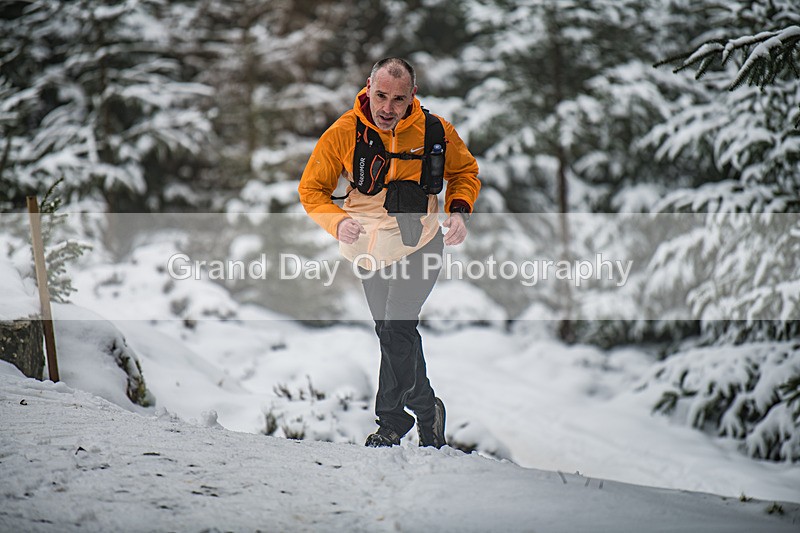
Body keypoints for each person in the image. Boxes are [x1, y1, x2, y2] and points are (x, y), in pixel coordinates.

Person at [298, 57, 480, 448]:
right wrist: (336, 221)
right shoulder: (345, 132)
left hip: (421, 241)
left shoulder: (435, 130)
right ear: (368, 87)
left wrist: (460, 211)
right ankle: (429, 410)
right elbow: (311, 191)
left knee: (398, 326)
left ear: (412, 94)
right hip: (367, 245)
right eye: (381, 96)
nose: (388, 108)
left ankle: (392, 423)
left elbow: (464, 173)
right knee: (390, 332)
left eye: (398, 99)